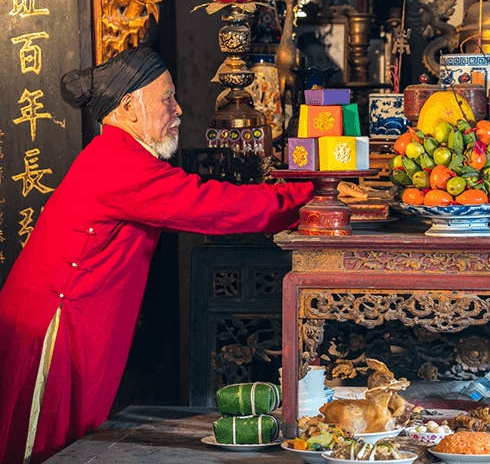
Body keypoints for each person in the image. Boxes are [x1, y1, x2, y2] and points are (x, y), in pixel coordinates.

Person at [0, 45, 314, 463]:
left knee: (67, 438)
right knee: (45, 443)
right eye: (166, 97)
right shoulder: (118, 163)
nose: (178, 108)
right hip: (53, 325)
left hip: (71, 316)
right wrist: (308, 195)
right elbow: (211, 206)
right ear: (130, 106)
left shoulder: (122, 155)